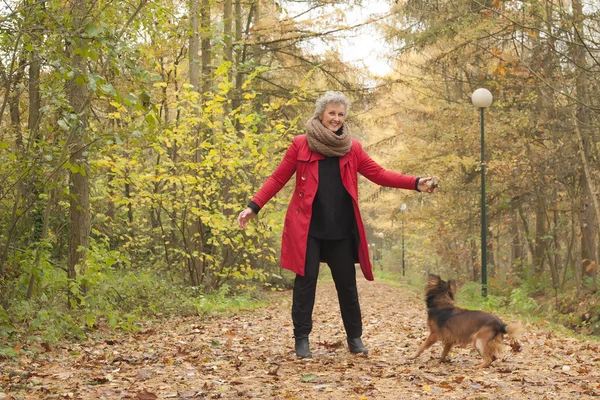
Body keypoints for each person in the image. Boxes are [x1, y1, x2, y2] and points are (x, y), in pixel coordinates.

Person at [237, 91, 437, 358]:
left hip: (341, 230)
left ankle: (355, 338)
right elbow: (277, 179)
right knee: (305, 284)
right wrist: (253, 206)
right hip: (308, 230)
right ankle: (302, 339)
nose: (336, 119)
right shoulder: (300, 144)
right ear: (321, 113)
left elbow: (379, 174)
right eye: (332, 113)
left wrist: (415, 182)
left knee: (347, 286)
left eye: (341, 114)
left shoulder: (352, 148)